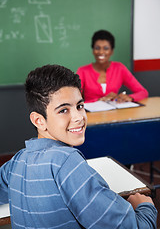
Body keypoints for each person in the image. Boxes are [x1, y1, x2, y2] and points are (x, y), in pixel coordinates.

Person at [0, 64, 157, 228]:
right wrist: (145, 206)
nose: (78, 117)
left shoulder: (17, 160)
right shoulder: (67, 161)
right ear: (39, 120)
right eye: (63, 110)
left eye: (80, 106)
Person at [77, 30, 148, 103]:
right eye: (97, 48)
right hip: (90, 113)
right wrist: (100, 100)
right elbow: (74, 100)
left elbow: (143, 92)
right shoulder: (83, 71)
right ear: (93, 50)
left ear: (112, 51)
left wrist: (130, 97)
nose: (101, 52)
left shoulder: (119, 68)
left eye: (106, 48)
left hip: (114, 113)